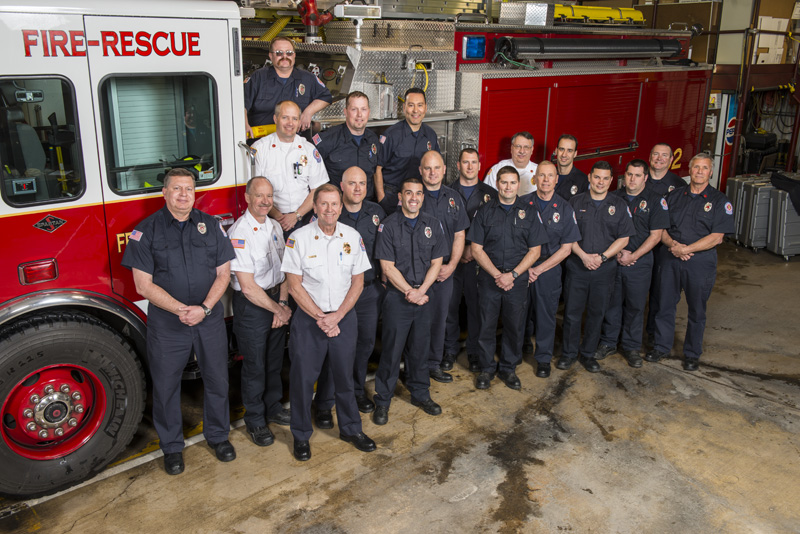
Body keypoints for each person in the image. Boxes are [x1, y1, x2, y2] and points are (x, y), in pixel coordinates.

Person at [121, 168, 236, 475]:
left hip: (208, 320)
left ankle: (218, 436)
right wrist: (182, 310)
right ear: (165, 193)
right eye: (177, 189)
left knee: (217, 379)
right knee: (167, 386)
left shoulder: (211, 226)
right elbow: (142, 285)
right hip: (168, 325)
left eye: (189, 189)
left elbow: (224, 273)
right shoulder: (145, 232)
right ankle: (172, 447)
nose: (184, 194)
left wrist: (205, 308)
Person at [281, 184, 377, 461]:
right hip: (310, 321)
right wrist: (322, 317)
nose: (329, 209)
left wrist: (338, 316)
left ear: (341, 206)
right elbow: (294, 284)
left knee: (344, 378)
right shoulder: (298, 239)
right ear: (315, 206)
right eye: (324, 204)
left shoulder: (352, 236)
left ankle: (350, 429)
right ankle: (300, 435)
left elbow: (358, 281)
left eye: (334, 204)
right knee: (302, 380)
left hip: (343, 319)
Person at [647, 153, 734, 371]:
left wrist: (688, 249)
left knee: (697, 309)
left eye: (704, 168)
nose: (700, 172)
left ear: (710, 172)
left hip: (700, 262)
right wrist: (674, 246)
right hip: (671, 257)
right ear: (690, 170)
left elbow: (717, 237)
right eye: (696, 167)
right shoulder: (674, 196)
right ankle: (661, 346)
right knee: (664, 304)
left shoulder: (719, 201)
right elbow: (661, 228)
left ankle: (692, 354)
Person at [373, 177, 447, 425]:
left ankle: (420, 394)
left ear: (422, 197)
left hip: (425, 297)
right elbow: (387, 266)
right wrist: (409, 292)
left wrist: (422, 291)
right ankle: (382, 401)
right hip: (398, 298)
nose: (413, 197)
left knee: (420, 349)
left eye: (418, 193)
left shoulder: (433, 225)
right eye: (408, 193)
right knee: (392, 352)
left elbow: (437, 263)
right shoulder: (388, 226)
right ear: (400, 197)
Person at [315, 167, 386, 420]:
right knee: (334, 348)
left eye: (363, 183)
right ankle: (324, 402)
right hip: (337, 295)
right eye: (352, 183)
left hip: (368, 292)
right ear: (341, 186)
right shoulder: (330, 213)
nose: (358, 188)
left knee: (364, 345)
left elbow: (383, 250)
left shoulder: (376, 212)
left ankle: (356, 391)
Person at [468, 166, 548, 390]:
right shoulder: (485, 212)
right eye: (504, 182)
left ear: (518, 185)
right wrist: (497, 275)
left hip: (517, 280)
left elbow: (535, 251)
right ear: (497, 184)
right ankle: (486, 369)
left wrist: (512, 275)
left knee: (514, 325)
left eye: (513, 183)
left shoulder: (529, 213)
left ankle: (508, 369)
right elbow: (476, 249)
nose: (508, 187)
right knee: (486, 325)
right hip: (489, 280)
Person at [228, 177, 292, 447]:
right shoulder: (239, 233)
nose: (266, 201)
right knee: (254, 367)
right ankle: (255, 420)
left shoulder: (276, 225)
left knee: (274, 361)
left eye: (269, 196)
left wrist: (284, 304)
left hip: (278, 299)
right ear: (247, 198)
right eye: (259, 196)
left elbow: (285, 269)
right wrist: (278, 309)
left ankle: (273, 407)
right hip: (253, 306)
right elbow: (248, 287)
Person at [557, 161, 634, 373]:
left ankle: (588, 354)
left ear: (611, 181)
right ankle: (569, 354)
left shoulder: (618, 205)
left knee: (596, 313)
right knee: (572, 313)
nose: (600, 182)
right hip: (577, 267)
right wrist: (582, 256)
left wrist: (601, 257)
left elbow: (624, 238)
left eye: (605, 178)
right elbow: (567, 236)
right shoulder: (574, 202)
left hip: (604, 270)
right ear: (589, 178)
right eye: (597, 177)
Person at [595, 160, 669, 368]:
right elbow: (604, 230)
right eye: (629, 174)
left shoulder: (655, 201)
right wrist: (617, 253)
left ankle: (631, 347)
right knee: (611, 303)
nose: (632, 179)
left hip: (640, 263)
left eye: (637, 175)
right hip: (613, 260)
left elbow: (656, 236)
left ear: (645, 177)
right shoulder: (613, 198)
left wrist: (633, 255)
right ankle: (608, 342)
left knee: (635, 306)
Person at [522, 161, 581, 378]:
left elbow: (566, 249)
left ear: (557, 179)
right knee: (521, 312)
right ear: (535, 178)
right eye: (542, 176)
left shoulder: (565, 208)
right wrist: (526, 268)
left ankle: (544, 358)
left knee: (546, 316)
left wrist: (538, 270)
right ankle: (521, 346)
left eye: (550, 176)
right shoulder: (522, 203)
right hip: (524, 266)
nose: (546, 180)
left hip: (549, 268)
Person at [417, 151, 470, 383]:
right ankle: (414, 367)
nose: (432, 173)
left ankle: (433, 364)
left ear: (445, 170)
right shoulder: (413, 196)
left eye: (437, 168)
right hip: (418, 273)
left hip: (445, 272)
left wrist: (451, 266)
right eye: (428, 168)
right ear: (420, 171)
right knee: (417, 321)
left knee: (440, 318)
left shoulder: (454, 198)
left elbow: (460, 235)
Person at [443, 148, 497, 372]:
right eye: (465, 162)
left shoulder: (490, 193)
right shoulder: (447, 192)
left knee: (477, 310)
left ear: (479, 165)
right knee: (450, 308)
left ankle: (474, 352)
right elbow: (444, 228)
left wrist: (471, 249)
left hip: (478, 261)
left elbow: (492, 228)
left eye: (474, 162)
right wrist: (459, 251)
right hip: (452, 261)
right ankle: (449, 351)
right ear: (458, 165)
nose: (470, 166)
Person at [253, 100, 329, 238]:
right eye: (285, 117)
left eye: (295, 118)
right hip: (270, 220)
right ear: (275, 119)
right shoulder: (260, 149)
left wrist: (296, 215)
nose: (290, 123)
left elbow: (317, 189)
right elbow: (255, 191)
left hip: (304, 219)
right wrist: (279, 217)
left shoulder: (309, 150)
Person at [244, 36, 332, 137]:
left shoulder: (307, 78)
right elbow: (241, 105)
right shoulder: (258, 77)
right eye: (279, 53)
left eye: (289, 53)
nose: (284, 56)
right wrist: (244, 124)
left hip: (297, 143)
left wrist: (308, 112)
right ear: (270, 56)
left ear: (294, 55)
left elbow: (325, 97)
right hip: (261, 142)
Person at [644, 142, 688, 344]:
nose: (659, 158)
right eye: (655, 154)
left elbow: (680, 221)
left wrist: (676, 246)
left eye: (664, 155)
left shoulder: (678, 185)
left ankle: (653, 336)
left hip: (663, 249)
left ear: (671, 160)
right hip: (637, 246)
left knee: (659, 295)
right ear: (650, 156)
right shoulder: (639, 178)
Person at [374, 88, 440, 214]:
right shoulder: (391, 135)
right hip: (392, 197)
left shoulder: (431, 135)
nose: (416, 110)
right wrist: (382, 199)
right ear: (404, 108)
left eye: (420, 105)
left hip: (419, 198)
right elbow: (377, 169)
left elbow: (437, 167)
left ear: (425, 107)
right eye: (411, 105)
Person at [313, 91, 380, 199]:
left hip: (366, 208)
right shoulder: (328, 139)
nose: (359, 114)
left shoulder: (373, 140)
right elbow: (309, 171)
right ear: (345, 112)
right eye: (354, 109)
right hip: (335, 208)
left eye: (363, 109)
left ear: (369, 112)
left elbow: (377, 173)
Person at [483, 132, 537, 197]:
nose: (522, 151)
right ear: (511, 148)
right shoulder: (497, 169)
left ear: (532, 150)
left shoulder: (539, 171)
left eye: (526, 147)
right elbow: (486, 196)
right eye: (518, 146)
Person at [553, 134, 588, 201]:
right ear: (556, 151)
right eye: (561, 149)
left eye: (569, 151)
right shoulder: (547, 175)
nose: (564, 154)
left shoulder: (583, 181)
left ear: (575, 154)